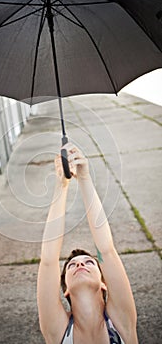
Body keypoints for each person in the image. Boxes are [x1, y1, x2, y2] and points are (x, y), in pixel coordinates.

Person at [37, 143, 138, 344]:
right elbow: (48, 260)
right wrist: (61, 185)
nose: (80, 264)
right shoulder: (58, 332)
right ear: (65, 290)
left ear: (103, 282)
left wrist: (84, 178)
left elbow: (106, 250)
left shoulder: (122, 323)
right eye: (73, 265)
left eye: (89, 262)